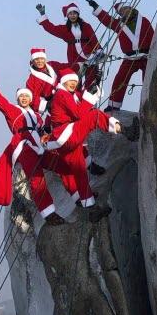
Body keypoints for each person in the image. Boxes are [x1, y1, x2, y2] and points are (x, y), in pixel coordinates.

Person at [0, 69, 61, 224]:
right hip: (24, 146)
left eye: (26, 96)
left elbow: (44, 129)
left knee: (60, 164)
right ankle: (49, 213)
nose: (24, 98)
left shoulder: (36, 115)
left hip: (39, 145)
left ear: (30, 99)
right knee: (37, 178)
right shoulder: (13, 110)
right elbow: (0, 101)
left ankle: (80, 194)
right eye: (21, 96)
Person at [44, 69, 121, 220]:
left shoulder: (70, 95)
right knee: (95, 115)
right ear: (63, 81)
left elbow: (82, 100)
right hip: (66, 136)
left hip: (68, 141)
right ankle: (122, 129)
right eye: (70, 81)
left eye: (75, 81)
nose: (73, 83)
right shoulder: (62, 95)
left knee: (79, 173)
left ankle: (91, 208)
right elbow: (80, 113)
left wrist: (94, 85)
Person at [88, 0, 153, 111]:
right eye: (121, 11)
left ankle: (150, 104)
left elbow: (153, 36)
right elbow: (107, 20)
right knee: (120, 78)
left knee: (148, 80)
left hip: (145, 56)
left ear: (131, 8)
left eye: (125, 9)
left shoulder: (144, 21)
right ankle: (114, 105)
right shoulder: (119, 24)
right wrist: (96, 8)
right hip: (129, 57)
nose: (124, 12)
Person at [37, 3, 102, 91]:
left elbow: (93, 38)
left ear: (78, 14)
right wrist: (42, 14)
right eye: (70, 14)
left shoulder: (86, 26)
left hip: (89, 54)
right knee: (75, 80)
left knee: (90, 81)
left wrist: (98, 50)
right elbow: (51, 28)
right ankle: (75, 99)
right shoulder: (65, 29)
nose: (72, 16)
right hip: (74, 56)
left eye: (74, 13)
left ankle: (89, 100)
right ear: (67, 15)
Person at [25, 47, 65, 114]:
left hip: (66, 96)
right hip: (53, 103)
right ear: (32, 61)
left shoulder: (53, 65)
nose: (40, 61)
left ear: (45, 59)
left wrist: (80, 65)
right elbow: (32, 97)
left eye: (42, 59)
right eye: (36, 59)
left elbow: (66, 67)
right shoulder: (31, 80)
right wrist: (46, 104)